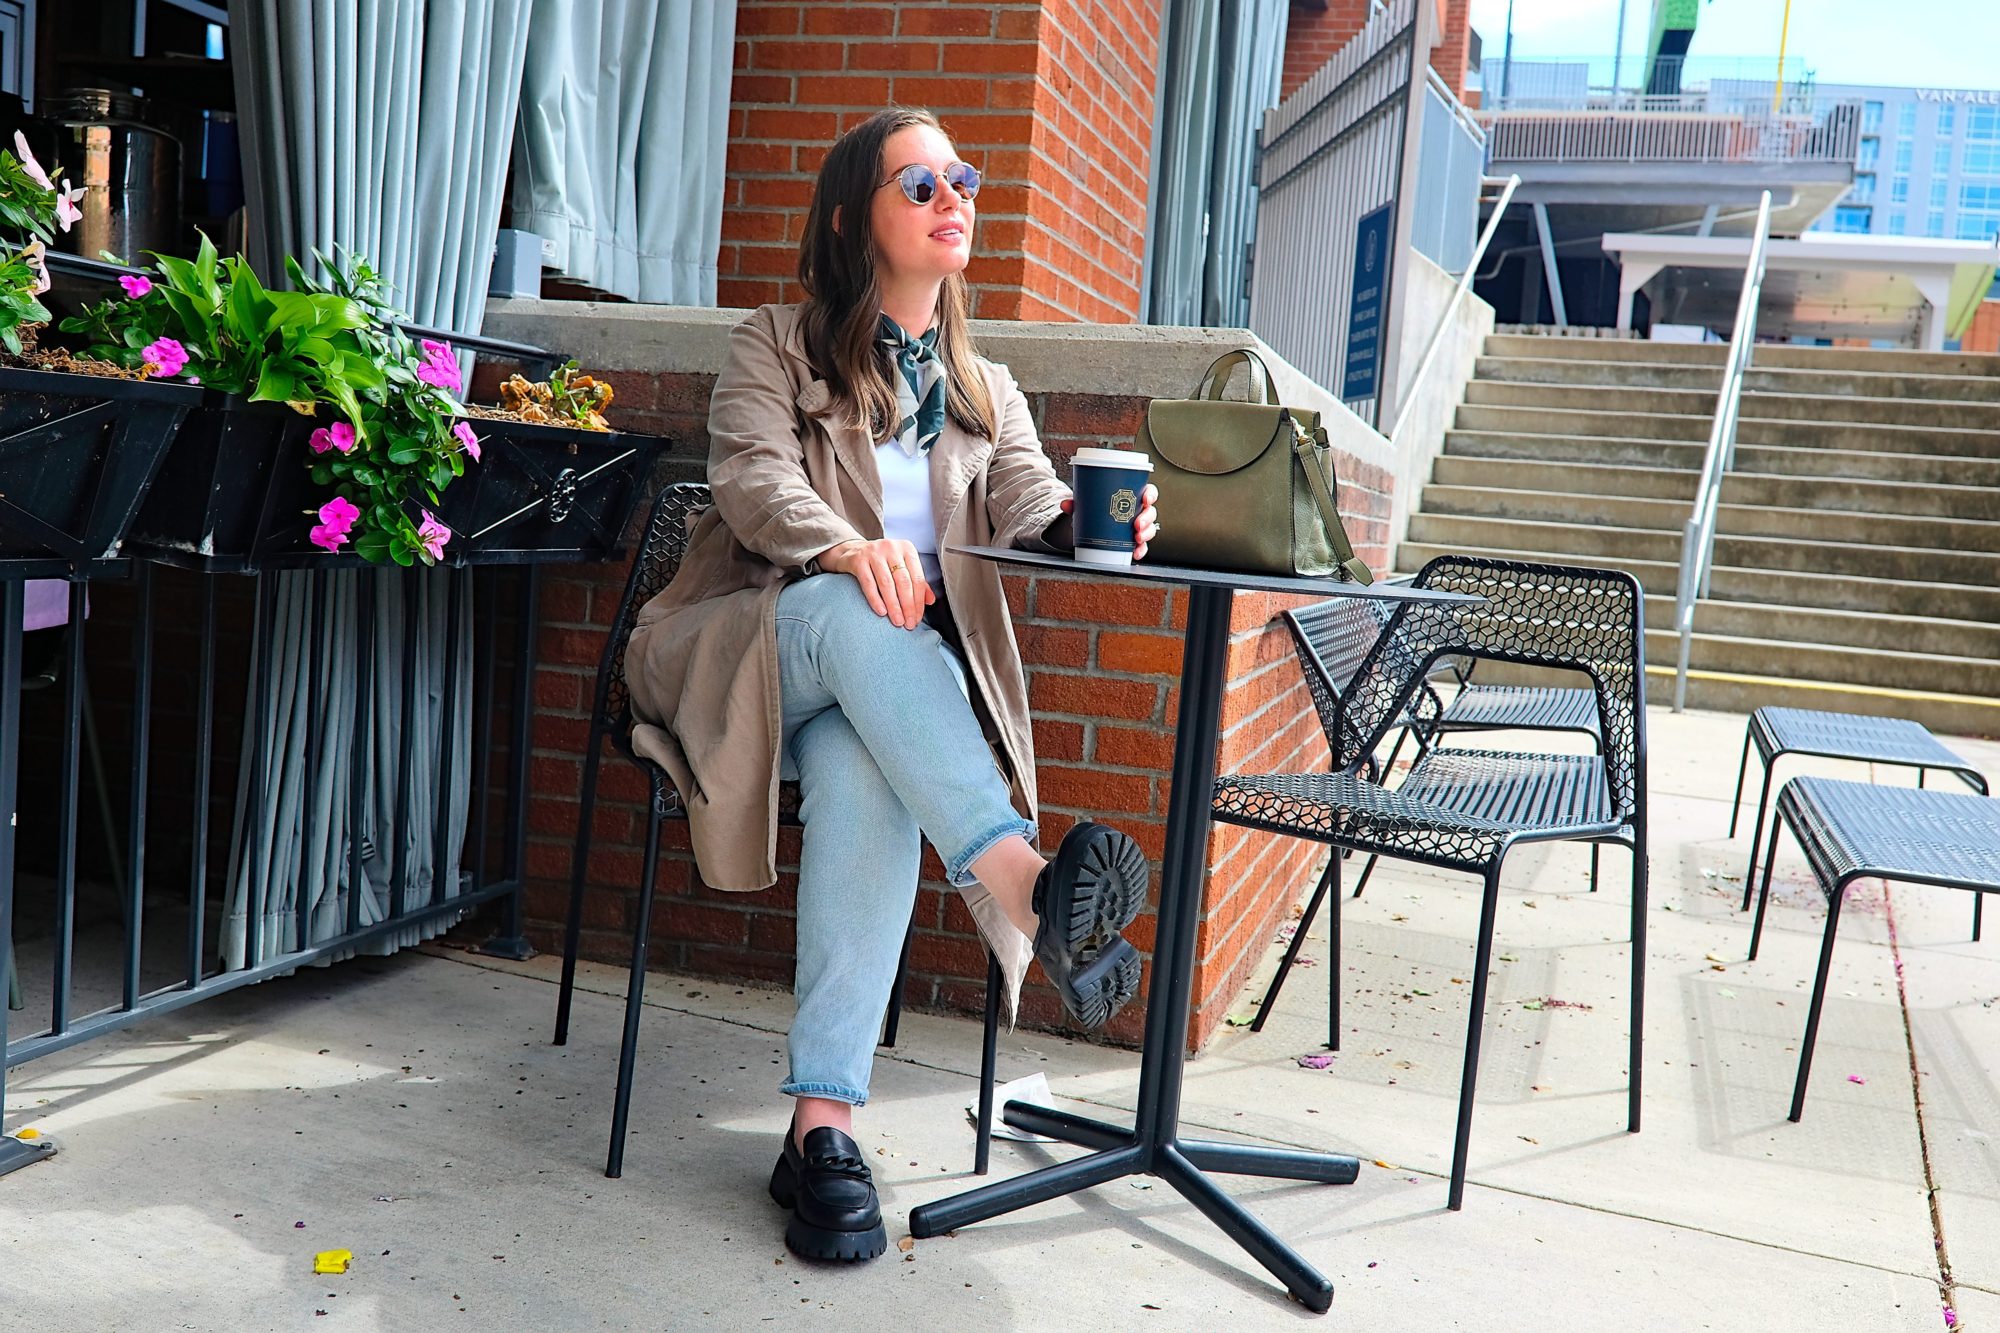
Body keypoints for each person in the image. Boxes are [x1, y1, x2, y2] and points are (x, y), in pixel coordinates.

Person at [624, 108, 1161, 1264]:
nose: (951, 198)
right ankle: (1019, 879)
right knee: (854, 606)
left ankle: (822, 1129)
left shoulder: (986, 389)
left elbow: (1025, 507)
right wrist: (840, 547)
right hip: (757, 656)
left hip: (883, 710)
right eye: (919, 184)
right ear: (848, 217)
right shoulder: (774, 341)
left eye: (960, 180)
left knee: (867, 767)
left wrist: (1089, 528)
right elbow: (753, 477)